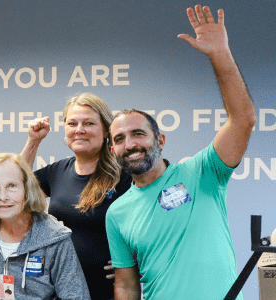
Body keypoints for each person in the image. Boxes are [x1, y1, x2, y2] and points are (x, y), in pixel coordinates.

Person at [106, 6, 256, 299]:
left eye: (139, 133)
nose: (131, 144)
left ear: (160, 139)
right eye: (120, 139)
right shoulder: (117, 213)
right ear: (113, 150)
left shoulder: (202, 172)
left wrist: (219, 54)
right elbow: (125, 284)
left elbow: (243, 119)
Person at [18, 93, 131, 299]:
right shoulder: (57, 171)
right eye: (72, 123)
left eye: (89, 123)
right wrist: (34, 141)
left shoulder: (125, 175)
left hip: (106, 290)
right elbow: (17, 187)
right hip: (60, 288)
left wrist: (135, 262)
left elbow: (152, 224)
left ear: (106, 129)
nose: (79, 130)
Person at [0, 153, 89, 300]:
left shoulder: (55, 238)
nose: (3, 197)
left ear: (27, 190)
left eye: (11, 186)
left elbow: (77, 296)